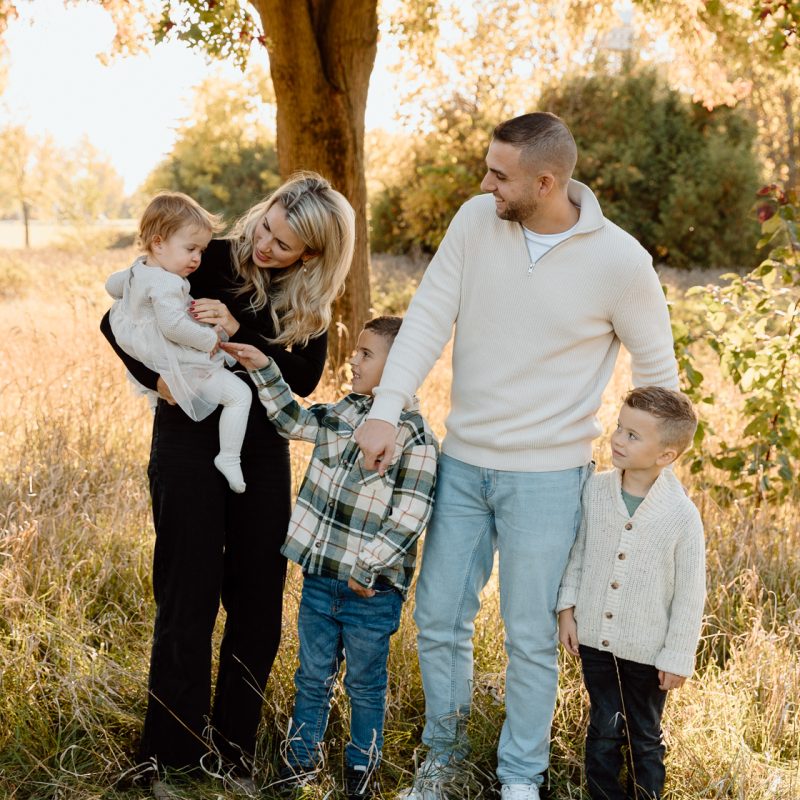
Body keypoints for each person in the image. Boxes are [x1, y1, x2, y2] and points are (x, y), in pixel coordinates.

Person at [354, 112, 679, 800]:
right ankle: (441, 761)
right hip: (464, 466)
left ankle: (520, 778)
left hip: (550, 480)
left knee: (531, 636)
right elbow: (429, 316)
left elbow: (658, 380)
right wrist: (384, 411)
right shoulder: (476, 223)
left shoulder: (621, 262)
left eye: (499, 174)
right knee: (439, 616)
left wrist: (640, 480)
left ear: (546, 181)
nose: (485, 183)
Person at [100, 172, 355, 799]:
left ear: (312, 255)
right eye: (266, 225)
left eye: (284, 243)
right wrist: (156, 382)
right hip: (187, 440)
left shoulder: (308, 302)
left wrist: (239, 332)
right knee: (186, 593)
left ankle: (232, 750)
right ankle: (170, 750)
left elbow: (302, 379)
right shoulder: (205, 255)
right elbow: (117, 319)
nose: (264, 244)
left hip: (260, 449)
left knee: (258, 600)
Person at [221, 315, 439, 800]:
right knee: (311, 677)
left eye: (366, 354)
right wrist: (263, 368)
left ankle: (362, 767)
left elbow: (409, 516)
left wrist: (367, 568)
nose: (352, 360)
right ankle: (300, 761)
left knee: (365, 684)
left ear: (401, 366)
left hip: (371, 591)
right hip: (320, 580)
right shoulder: (343, 414)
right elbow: (292, 420)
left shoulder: (417, 439)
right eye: (356, 351)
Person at [557, 386, 705, 799]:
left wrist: (677, 655)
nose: (617, 439)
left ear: (666, 455)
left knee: (644, 736)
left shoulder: (681, 516)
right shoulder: (596, 490)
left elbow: (691, 594)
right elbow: (578, 553)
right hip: (595, 644)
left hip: (648, 652)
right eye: (620, 428)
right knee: (603, 728)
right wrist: (567, 610)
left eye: (633, 436)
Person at [106, 192, 252, 494]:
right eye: (190, 248)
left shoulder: (138, 268)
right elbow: (173, 326)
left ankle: (158, 406)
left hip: (146, 352)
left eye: (201, 250)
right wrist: (207, 338)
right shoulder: (166, 282)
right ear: (159, 243)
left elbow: (111, 285)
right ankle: (229, 457)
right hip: (177, 356)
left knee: (161, 403)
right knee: (239, 395)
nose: (197, 258)